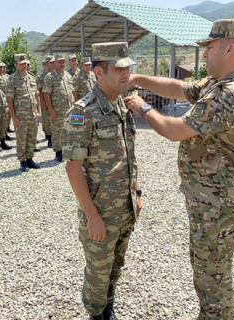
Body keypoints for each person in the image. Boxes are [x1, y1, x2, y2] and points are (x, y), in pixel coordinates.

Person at [124, 19, 234, 320]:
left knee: (213, 278)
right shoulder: (219, 84)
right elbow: (180, 88)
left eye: (210, 47)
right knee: (208, 270)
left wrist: (143, 107)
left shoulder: (231, 94)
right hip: (211, 200)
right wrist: (138, 78)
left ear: (230, 48)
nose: (205, 54)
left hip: (218, 204)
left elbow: (175, 130)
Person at [63, 42, 142, 320]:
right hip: (101, 213)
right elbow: (73, 168)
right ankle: (96, 314)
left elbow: (128, 155)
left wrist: (137, 193)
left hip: (125, 208)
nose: (126, 73)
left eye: (128, 67)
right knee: (98, 272)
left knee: (115, 266)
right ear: (99, 71)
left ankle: (109, 308)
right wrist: (91, 216)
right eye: (119, 68)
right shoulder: (82, 111)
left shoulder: (122, 104)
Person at [6, 54, 41, 172]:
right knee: (21, 139)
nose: (24, 66)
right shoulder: (12, 79)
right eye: (21, 64)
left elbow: (36, 96)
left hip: (33, 114)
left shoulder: (31, 77)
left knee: (32, 138)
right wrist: (13, 117)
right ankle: (23, 161)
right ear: (16, 65)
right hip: (20, 116)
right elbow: (9, 99)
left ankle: (30, 159)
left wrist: (39, 112)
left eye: (25, 64)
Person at [43, 54, 76, 162]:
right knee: (57, 132)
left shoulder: (67, 75)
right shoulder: (50, 77)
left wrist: (76, 105)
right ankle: (58, 152)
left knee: (69, 130)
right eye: (59, 62)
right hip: (57, 110)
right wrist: (50, 109)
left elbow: (72, 91)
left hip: (70, 109)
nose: (62, 64)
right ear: (55, 63)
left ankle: (68, 150)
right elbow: (46, 94)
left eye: (63, 62)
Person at [37, 55, 55, 148]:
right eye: (51, 62)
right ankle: (49, 138)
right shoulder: (42, 77)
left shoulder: (57, 74)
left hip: (56, 102)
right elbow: (40, 91)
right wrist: (44, 104)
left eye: (54, 62)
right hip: (46, 101)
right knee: (47, 121)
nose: (53, 64)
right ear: (47, 64)